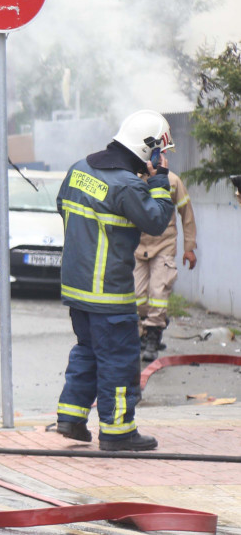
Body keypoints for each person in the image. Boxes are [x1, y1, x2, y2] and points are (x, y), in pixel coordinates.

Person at [55, 110, 176, 452]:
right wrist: (159, 179)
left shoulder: (78, 169)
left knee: (88, 352)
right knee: (120, 362)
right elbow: (156, 222)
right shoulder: (127, 185)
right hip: (109, 294)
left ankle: (71, 418)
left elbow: (62, 206)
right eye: (159, 153)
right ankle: (118, 432)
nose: (160, 159)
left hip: (76, 291)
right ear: (147, 150)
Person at [134, 169, 197, 362]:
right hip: (138, 245)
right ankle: (146, 331)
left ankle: (153, 336)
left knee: (158, 291)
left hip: (164, 245)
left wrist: (189, 247)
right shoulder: (133, 179)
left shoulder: (173, 180)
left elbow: (186, 214)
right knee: (137, 294)